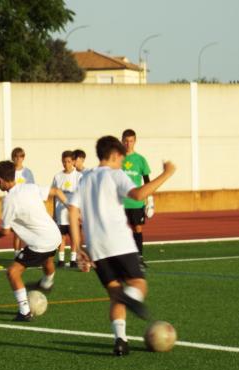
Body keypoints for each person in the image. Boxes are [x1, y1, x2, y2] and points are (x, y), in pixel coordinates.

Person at [68, 136, 176, 356]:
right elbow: (137, 195)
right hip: (119, 242)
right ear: (115, 155)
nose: (121, 164)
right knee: (138, 283)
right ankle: (131, 298)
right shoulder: (115, 174)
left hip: (96, 247)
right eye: (121, 160)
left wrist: (78, 247)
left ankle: (120, 341)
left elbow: (72, 210)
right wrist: (167, 173)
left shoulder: (85, 178)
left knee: (115, 294)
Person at [0, 160, 67, 322]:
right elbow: (56, 191)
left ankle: (24, 311)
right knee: (47, 258)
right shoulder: (30, 187)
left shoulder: (9, 201)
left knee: (13, 272)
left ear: (1, 180)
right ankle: (47, 282)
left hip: (41, 242)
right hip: (54, 235)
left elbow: (5, 231)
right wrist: (71, 207)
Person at [121, 129, 153, 267]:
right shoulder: (117, 158)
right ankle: (121, 258)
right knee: (119, 230)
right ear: (122, 141)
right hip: (119, 202)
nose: (128, 144)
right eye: (126, 141)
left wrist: (150, 201)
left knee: (137, 229)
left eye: (131, 141)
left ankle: (139, 257)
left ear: (135, 141)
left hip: (136, 202)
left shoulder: (140, 160)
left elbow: (147, 182)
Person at [51, 150, 82, 268]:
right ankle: (61, 259)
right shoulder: (58, 177)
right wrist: (54, 212)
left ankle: (73, 259)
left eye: (69, 161)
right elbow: (54, 195)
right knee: (61, 237)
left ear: (73, 162)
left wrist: (80, 211)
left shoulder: (78, 176)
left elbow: (81, 194)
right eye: (64, 162)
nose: (66, 164)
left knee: (74, 236)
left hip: (73, 213)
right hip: (60, 213)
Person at [11, 147, 35, 256]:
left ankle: (30, 254)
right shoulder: (10, 172)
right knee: (17, 232)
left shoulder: (28, 172)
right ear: (13, 158)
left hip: (26, 205)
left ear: (23, 158)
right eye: (15, 157)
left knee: (29, 230)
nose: (18, 159)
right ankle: (16, 255)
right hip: (14, 205)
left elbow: (32, 188)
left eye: (20, 156)